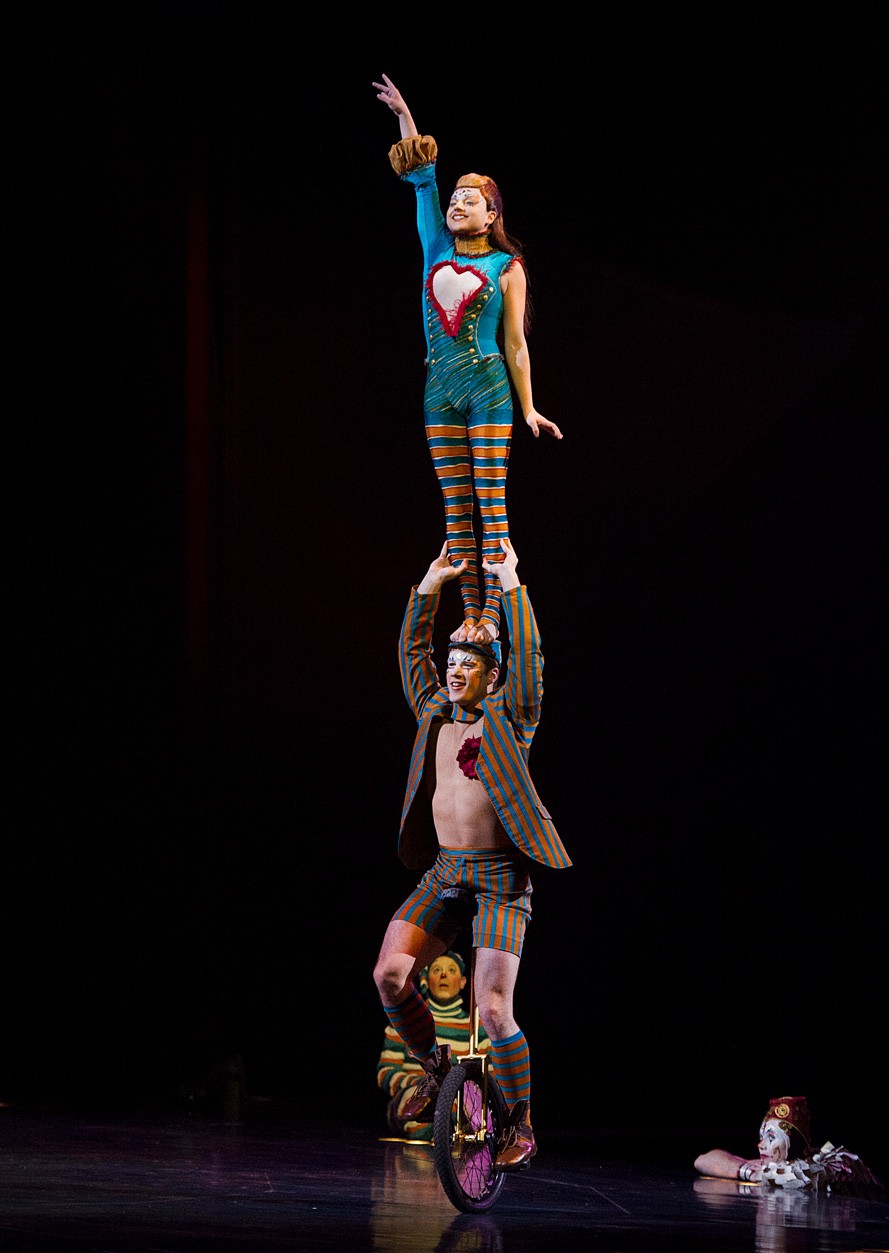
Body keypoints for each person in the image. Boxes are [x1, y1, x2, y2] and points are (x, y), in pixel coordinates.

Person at [372, 536, 571, 1171]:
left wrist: (510, 585)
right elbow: (412, 654)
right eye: (451, 661)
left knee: (492, 1008)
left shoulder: (512, 718)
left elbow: (530, 659)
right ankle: (435, 1069)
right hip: (445, 873)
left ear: (492, 676)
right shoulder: (433, 710)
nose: (455, 671)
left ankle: (520, 1123)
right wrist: (431, 586)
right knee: (389, 975)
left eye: (469, 664)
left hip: (501, 880)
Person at [373, 73, 563, 648]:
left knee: (491, 507)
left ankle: (494, 619)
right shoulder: (435, 247)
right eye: (455, 199)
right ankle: (471, 617)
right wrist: (404, 116)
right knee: (456, 516)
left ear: (492, 214)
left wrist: (528, 408)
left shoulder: (507, 268)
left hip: (488, 389)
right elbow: (422, 180)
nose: (457, 204)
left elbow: (516, 344)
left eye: (470, 200)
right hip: (439, 390)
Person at [376, 950, 490, 1142]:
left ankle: (451, 1130)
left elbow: (489, 1077)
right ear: (427, 980)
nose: (443, 974)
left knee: (469, 1108)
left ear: (463, 982)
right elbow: (386, 1072)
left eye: (451, 970)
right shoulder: (405, 1022)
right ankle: (437, 1130)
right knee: (416, 1108)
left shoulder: (477, 1028)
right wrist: (422, 1085)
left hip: (459, 1099)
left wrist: (452, 1091)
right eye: (436, 970)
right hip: (413, 1095)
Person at [694, 1095, 884, 1196]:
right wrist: (746, 1170)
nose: (761, 1145)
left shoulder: (837, 1163)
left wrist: (761, 1174)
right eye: (762, 1137)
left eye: (771, 1137)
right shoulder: (775, 1166)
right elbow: (702, 1161)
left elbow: (804, 1178)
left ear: (794, 1144)